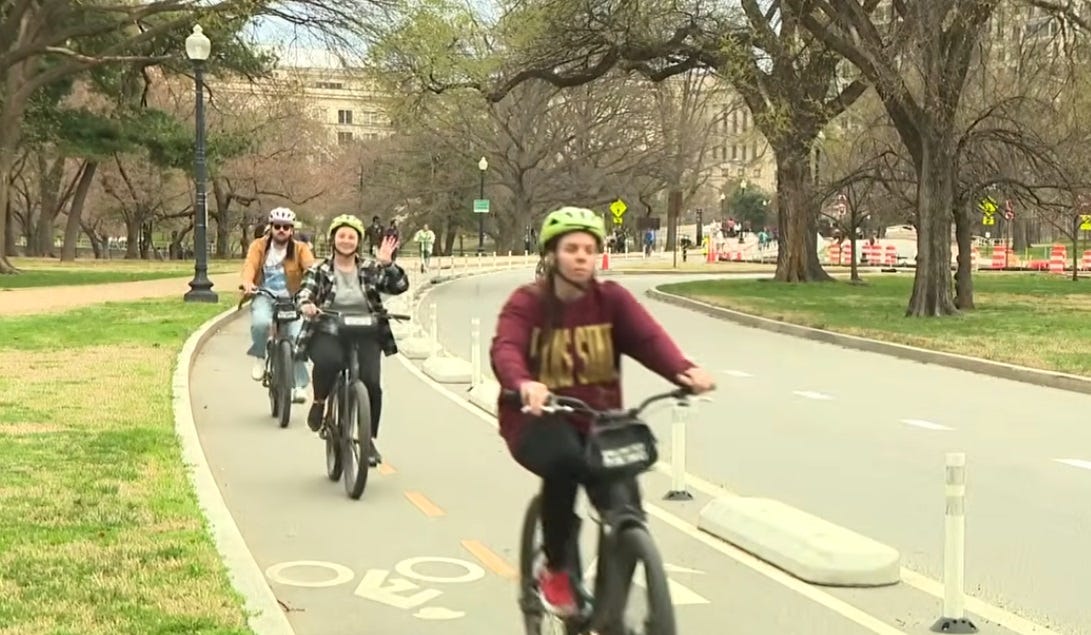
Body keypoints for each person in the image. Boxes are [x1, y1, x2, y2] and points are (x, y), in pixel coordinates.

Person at [489, 206, 716, 617]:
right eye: (571, 248)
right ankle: (556, 570)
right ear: (552, 254)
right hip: (536, 419)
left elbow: (649, 340)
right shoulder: (529, 302)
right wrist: (525, 383)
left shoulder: (611, 300)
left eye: (589, 249)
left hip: (598, 420)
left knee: (623, 496)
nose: (581, 257)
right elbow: (506, 347)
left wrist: (684, 370)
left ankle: (613, 597)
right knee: (564, 464)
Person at [295, 214, 409, 466]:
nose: (346, 241)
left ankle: (367, 441)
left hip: (367, 331)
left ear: (358, 241)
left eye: (352, 237)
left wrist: (388, 265)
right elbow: (305, 292)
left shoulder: (369, 268)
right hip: (329, 328)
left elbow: (399, 286)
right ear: (334, 239)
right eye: (342, 236)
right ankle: (319, 401)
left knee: (372, 384)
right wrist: (306, 305)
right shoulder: (320, 269)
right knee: (329, 361)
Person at [240, 207, 315, 402]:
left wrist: (313, 286)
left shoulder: (300, 248)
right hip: (264, 294)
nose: (281, 230)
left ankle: (299, 385)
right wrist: (248, 283)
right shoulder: (259, 246)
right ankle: (259, 356)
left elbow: (311, 269)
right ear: (271, 227)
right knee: (261, 323)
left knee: (297, 337)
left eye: (286, 227)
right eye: (278, 226)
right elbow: (250, 266)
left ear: (292, 230)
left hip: (292, 297)